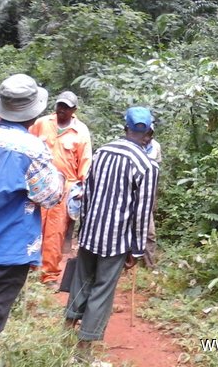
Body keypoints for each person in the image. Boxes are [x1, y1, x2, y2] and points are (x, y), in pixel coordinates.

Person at [0, 74, 63, 367]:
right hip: (6, 252)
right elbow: (49, 195)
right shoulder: (32, 150)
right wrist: (57, 175)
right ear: (33, 112)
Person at [65, 107, 159, 358]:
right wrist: (137, 250)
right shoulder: (147, 166)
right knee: (102, 289)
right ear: (149, 133)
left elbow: (87, 194)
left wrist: (83, 229)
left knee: (82, 281)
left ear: (124, 128)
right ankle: (83, 349)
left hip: (90, 232)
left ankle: (67, 330)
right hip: (116, 240)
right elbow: (142, 212)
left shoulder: (102, 152)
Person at [29, 91, 92, 287]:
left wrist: (83, 186)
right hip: (38, 183)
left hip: (64, 187)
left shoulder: (81, 131)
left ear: (74, 110)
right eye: (59, 105)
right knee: (32, 226)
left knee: (55, 233)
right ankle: (28, 269)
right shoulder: (42, 123)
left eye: (66, 107)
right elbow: (27, 144)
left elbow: (85, 161)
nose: (61, 110)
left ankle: (49, 275)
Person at [142, 124, 162, 268]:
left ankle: (149, 264)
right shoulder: (132, 146)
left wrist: (154, 198)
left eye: (149, 134)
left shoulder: (155, 147)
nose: (146, 137)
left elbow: (156, 173)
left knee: (150, 233)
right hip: (130, 195)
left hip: (147, 195)